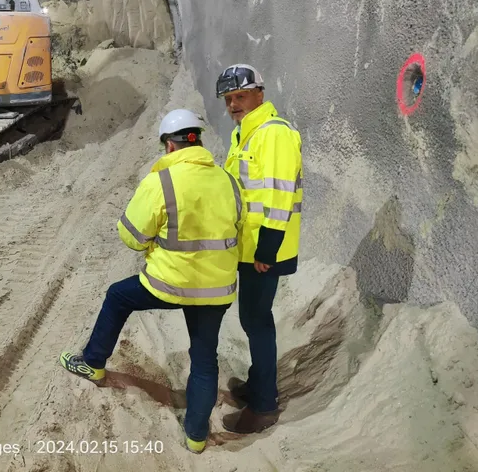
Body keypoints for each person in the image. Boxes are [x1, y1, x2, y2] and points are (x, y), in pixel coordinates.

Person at [58, 108, 246, 454]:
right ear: (197, 142)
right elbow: (240, 230)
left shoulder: (162, 181)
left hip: (170, 284)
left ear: (170, 147)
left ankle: (94, 364)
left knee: (118, 296)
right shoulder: (228, 180)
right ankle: (196, 437)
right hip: (217, 289)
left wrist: (153, 242)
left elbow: (131, 234)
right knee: (205, 358)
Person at [215, 64, 303, 434]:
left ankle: (264, 405)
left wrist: (267, 249)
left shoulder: (274, 134)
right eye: (229, 99)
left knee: (257, 321)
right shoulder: (245, 134)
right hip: (250, 247)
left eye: (240, 96)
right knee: (253, 318)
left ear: (259, 94)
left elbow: (280, 195)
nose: (234, 104)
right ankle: (257, 385)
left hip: (265, 250)